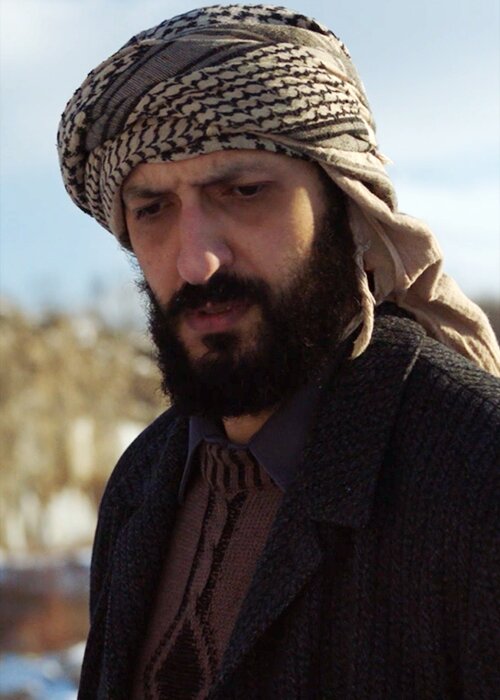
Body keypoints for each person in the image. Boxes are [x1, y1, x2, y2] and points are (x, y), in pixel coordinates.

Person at [58, 5, 500, 699]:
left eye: (243, 192)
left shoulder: (476, 471)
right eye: (153, 210)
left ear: (347, 206)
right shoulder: (143, 480)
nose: (196, 261)